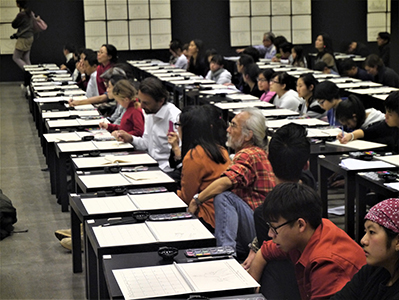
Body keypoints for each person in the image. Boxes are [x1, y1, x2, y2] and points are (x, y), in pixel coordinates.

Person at [249, 183, 366, 300]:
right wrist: (250, 292)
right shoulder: (307, 234)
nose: (270, 234)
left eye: (274, 228)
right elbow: (264, 252)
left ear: (300, 224)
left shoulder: (326, 263)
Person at [186, 108, 275, 256]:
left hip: (259, 231)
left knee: (223, 196)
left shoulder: (249, 154)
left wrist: (197, 200)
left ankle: (225, 252)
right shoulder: (256, 153)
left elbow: (225, 182)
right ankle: (227, 249)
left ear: (248, 136)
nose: (228, 129)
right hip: (260, 228)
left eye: (233, 125)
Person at [242, 123, 316, 270]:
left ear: (268, 160)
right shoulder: (312, 188)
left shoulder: (265, 214)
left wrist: (256, 249)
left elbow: (271, 256)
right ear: (306, 165)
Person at [168, 105, 230, 231]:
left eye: (178, 125)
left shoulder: (195, 155)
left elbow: (187, 198)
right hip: (224, 214)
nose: (177, 129)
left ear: (188, 130)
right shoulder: (221, 150)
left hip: (206, 217)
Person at [331, 198, 399, 300]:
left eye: (372, 232)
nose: (363, 240)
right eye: (365, 231)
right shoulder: (373, 269)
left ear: (397, 241)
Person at [116, 77, 181, 174]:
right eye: (140, 101)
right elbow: (146, 144)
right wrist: (130, 138)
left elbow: (180, 156)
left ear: (161, 101)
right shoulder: (149, 112)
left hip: (167, 170)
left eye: (145, 103)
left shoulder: (175, 118)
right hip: (150, 164)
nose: (141, 106)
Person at [11, 0, 34, 71]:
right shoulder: (30, 12)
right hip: (30, 37)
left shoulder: (21, 14)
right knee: (26, 58)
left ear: (18, 4)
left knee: (16, 57)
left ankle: (29, 72)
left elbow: (14, 25)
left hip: (23, 38)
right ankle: (32, 75)